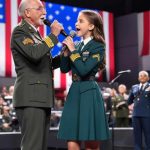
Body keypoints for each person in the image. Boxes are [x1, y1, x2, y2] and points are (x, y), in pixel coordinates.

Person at [10, 0, 63, 150]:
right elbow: (34, 54)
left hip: (40, 98)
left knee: (40, 146)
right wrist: (53, 36)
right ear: (27, 13)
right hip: (31, 97)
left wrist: (63, 54)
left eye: (44, 9)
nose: (44, 12)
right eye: (39, 8)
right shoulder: (20, 31)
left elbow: (46, 64)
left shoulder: (36, 34)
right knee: (32, 146)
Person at [58, 10, 110, 150]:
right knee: (72, 137)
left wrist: (73, 51)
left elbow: (84, 70)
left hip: (89, 92)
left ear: (91, 26)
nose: (76, 24)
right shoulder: (77, 46)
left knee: (90, 140)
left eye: (81, 21)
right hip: (74, 91)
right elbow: (64, 69)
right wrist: (65, 52)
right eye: (76, 21)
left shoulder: (98, 46)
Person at [128, 71, 150, 150]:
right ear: (138, 78)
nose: (142, 77)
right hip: (136, 114)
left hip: (147, 114)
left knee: (148, 135)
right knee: (137, 136)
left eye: (144, 75)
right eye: (140, 75)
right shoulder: (134, 87)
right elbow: (129, 101)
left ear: (148, 78)